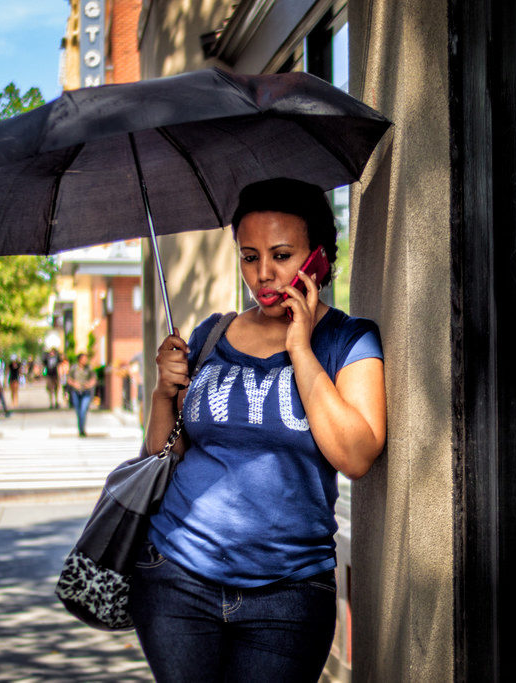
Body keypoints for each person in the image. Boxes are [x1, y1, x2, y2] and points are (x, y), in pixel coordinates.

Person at [129, 178, 387, 682]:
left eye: (282, 254)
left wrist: (300, 348)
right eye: (249, 257)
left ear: (319, 258)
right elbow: (166, 451)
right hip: (177, 578)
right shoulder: (211, 335)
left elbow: (356, 455)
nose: (263, 274)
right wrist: (163, 392)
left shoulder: (349, 340)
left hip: (289, 596)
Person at [66, 352, 97, 437]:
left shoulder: (89, 368)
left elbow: (93, 379)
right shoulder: (74, 368)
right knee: (78, 411)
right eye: (84, 359)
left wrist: (89, 384)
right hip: (76, 392)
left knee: (83, 410)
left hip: (86, 392)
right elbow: (69, 379)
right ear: (79, 360)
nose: (85, 360)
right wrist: (74, 384)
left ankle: (82, 430)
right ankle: (81, 429)